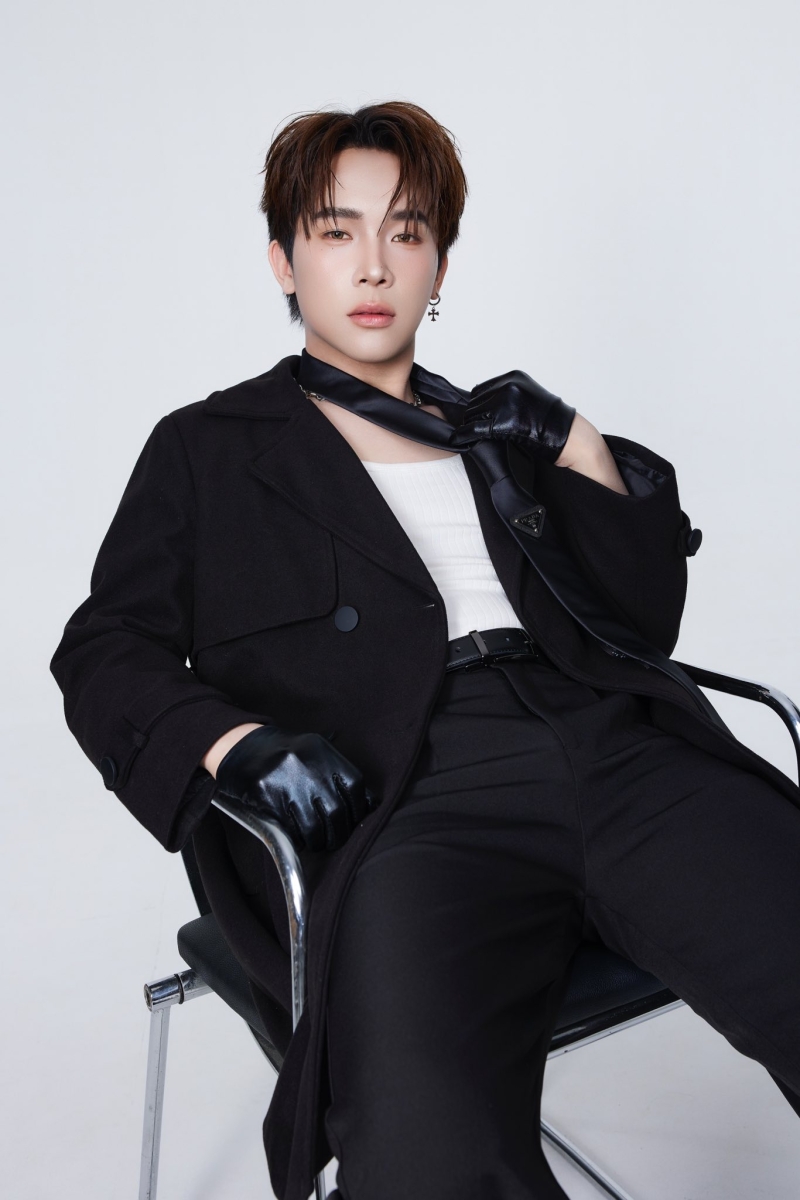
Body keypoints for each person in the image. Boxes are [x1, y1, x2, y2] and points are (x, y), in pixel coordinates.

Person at [50, 100, 800, 1200]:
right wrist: (233, 743)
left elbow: (641, 623)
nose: (373, 264)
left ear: (438, 263)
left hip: (613, 746)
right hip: (402, 796)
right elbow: (105, 646)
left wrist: (577, 444)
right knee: (425, 1150)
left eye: (405, 232)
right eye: (335, 230)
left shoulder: (493, 430)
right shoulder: (208, 449)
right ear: (283, 260)